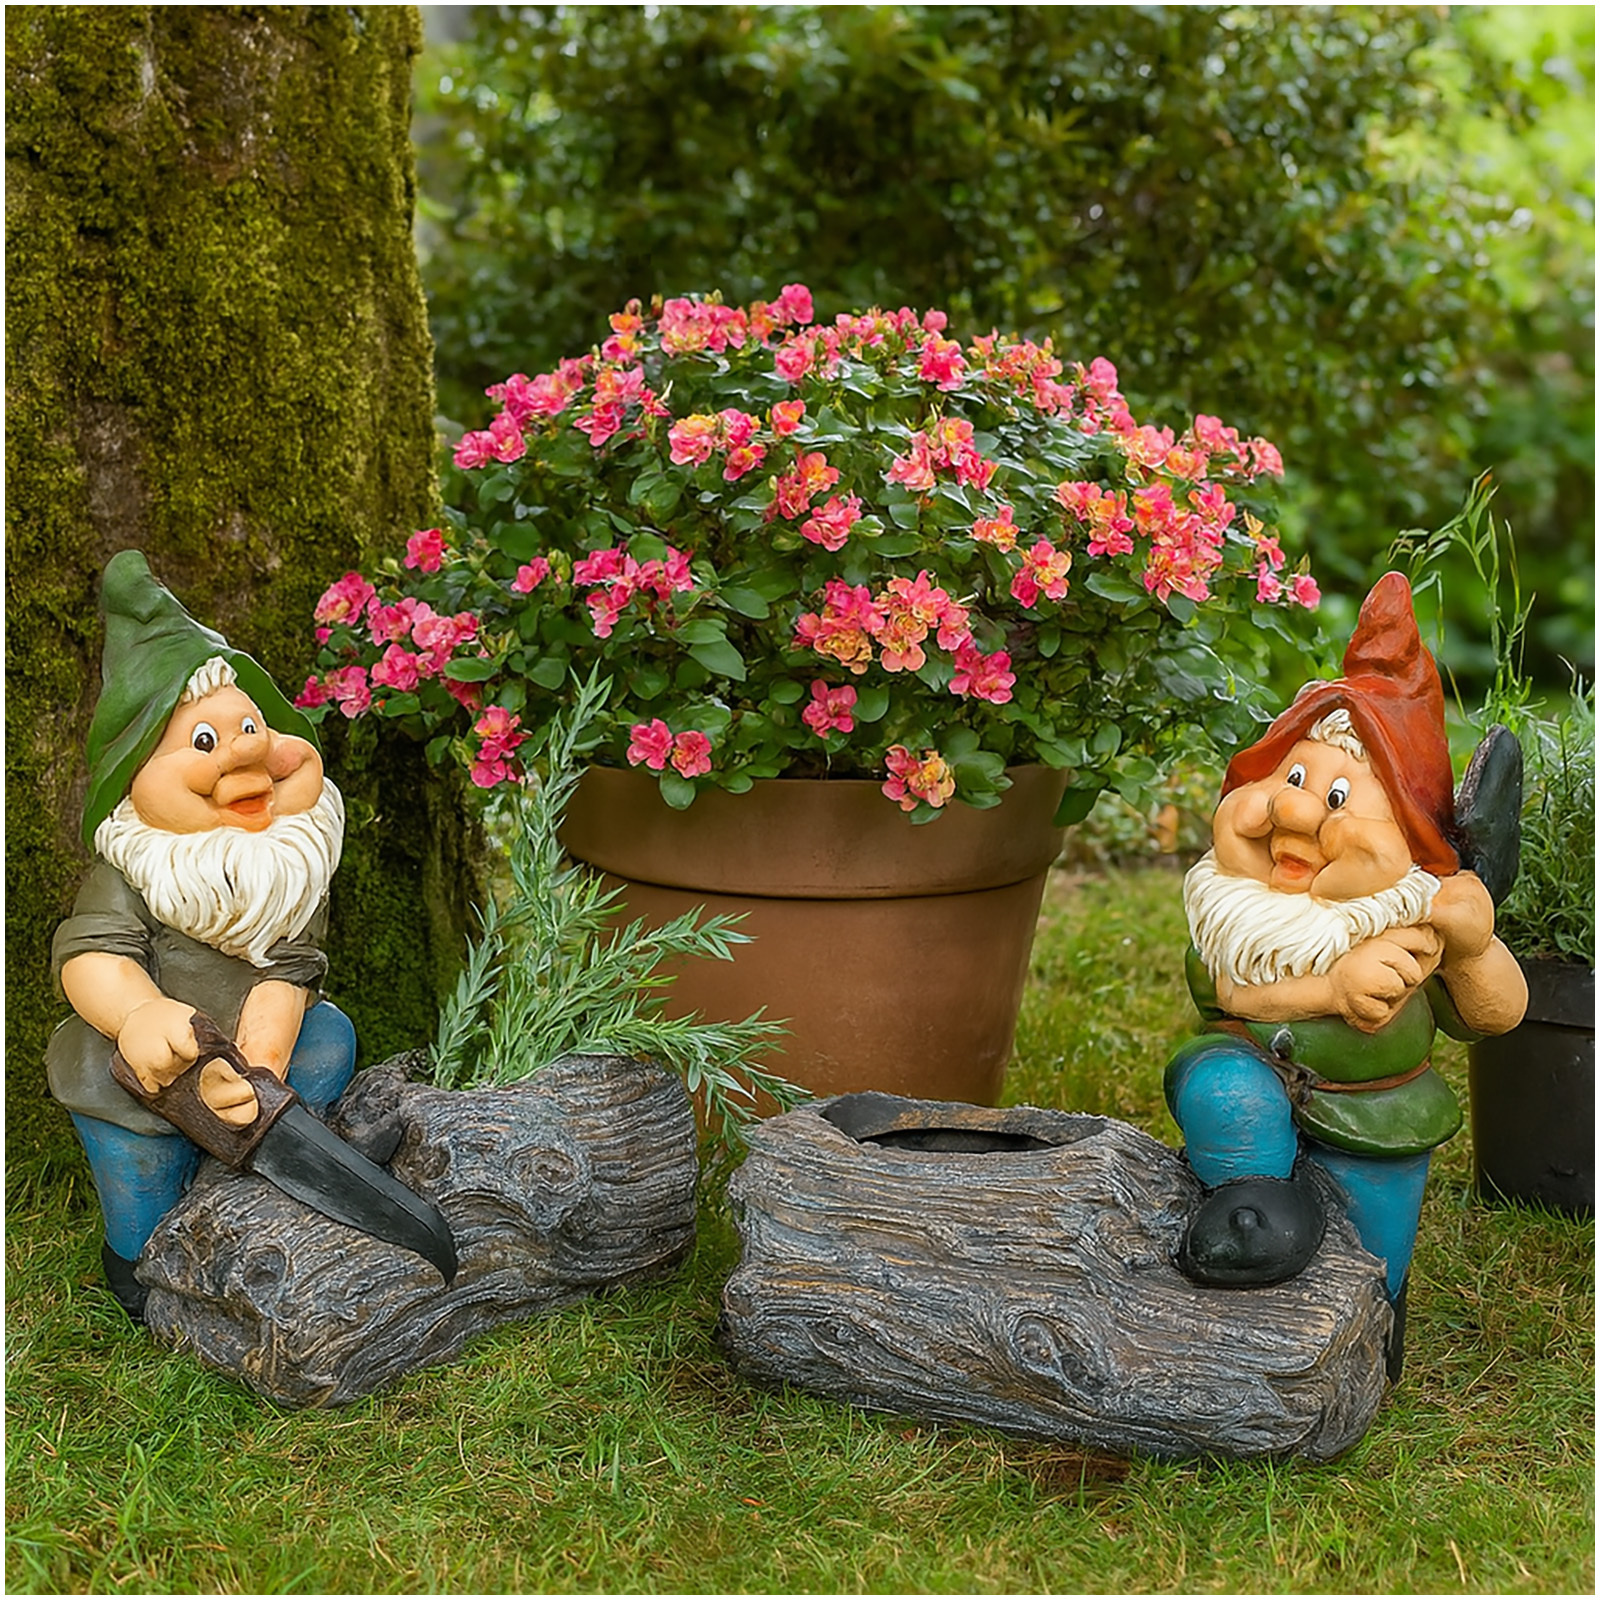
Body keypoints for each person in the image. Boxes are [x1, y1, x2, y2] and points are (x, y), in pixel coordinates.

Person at [1166, 573, 1526, 1371]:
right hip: (1256, 1066)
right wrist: (1329, 990)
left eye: (1335, 798)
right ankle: (1252, 1210)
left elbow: (1496, 1015)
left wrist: (1471, 947)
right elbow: (1229, 991)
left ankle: (1370, 1333)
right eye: (1290, 780)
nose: (1293, 811)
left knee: (1376, 1236)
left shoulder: (1415, 918)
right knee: (1225, 1093)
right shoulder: (1241, 913)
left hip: (1382, 1109)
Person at [47, 551, 356, 1319]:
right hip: (142, 1061)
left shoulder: (286, 863)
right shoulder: (137, 869)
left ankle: (257, 1210)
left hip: (255, 1056)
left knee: (328, 1043)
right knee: (137, 1151)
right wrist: (140, 1013)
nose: (248, 753)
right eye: (208, 743)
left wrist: (258, 1068)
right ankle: (141, 1262)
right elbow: (92, 954)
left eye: (252, 727)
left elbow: (288, 970)